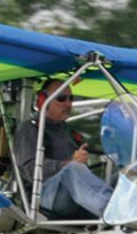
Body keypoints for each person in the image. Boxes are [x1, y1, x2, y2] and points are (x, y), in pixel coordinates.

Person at [13, 79, 113, 219]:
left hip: (74, 199)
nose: (68, 103)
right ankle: (114, 210)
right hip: (42, 200)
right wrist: (70, 164)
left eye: (70, 98)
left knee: (123, 174)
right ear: (43, 100)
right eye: (61, 98)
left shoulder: (71, 133)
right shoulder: (29, 128)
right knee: (73, 169)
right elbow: (30, 169)